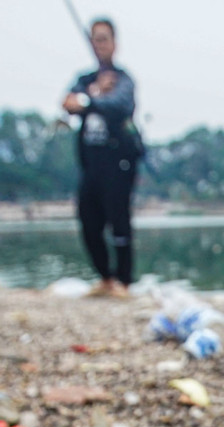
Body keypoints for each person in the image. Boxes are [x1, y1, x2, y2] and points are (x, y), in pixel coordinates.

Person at [63, 18, 143, 298]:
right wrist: (95, 93)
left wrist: (88, 101)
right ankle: (105, 278)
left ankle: (124, 281)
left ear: (114, 43)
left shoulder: (123, 79)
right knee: (89, 221)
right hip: (91, 163)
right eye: (95, 39)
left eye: (104, 38)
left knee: (119, 221)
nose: (99, 44)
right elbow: (67, 103)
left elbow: (120, 106)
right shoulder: (86, 80)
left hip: (118, 162)